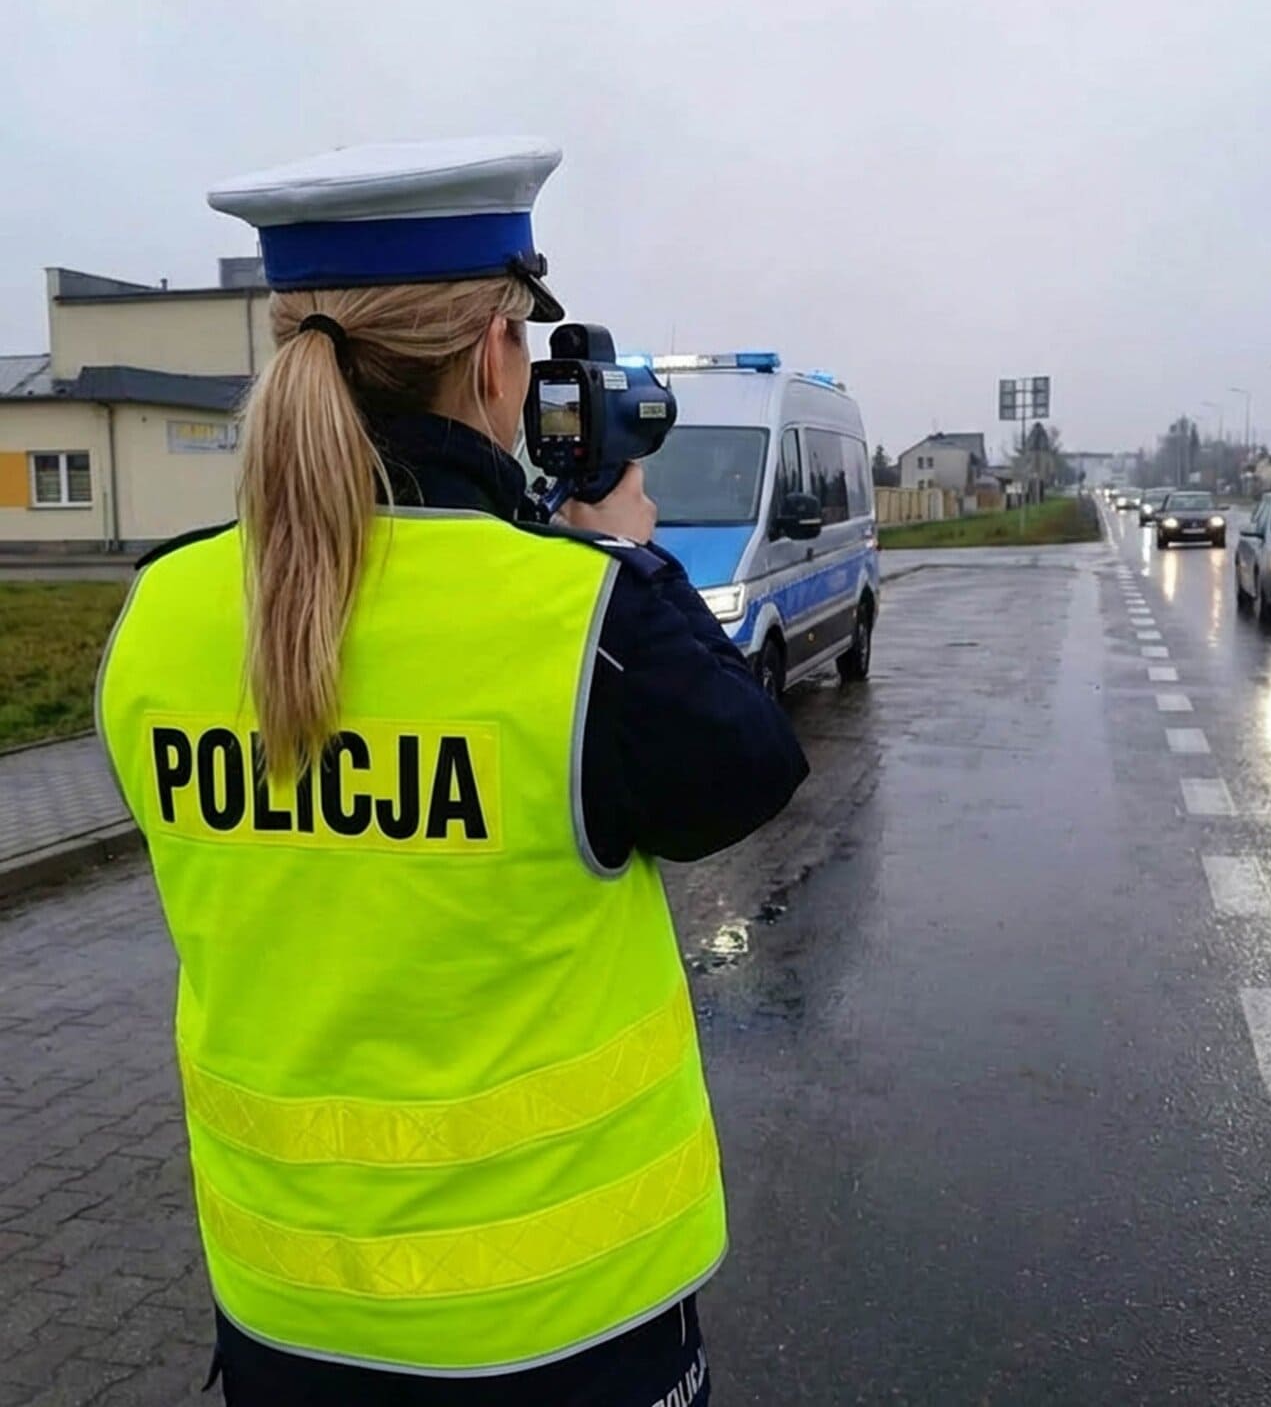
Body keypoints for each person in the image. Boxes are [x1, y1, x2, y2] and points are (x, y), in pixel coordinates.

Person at [97, 138, 809, 1404]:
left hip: (286, 1312)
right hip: (561, 1325)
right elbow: (748, 770)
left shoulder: (158, 611)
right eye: (523, 343)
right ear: (492, 352)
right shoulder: (589, 620)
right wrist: (623, 554)